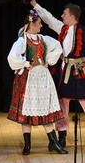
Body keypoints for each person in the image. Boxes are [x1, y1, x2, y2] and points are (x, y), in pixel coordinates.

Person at [31, 0, 85, 148]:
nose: (62, 16)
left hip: (79, 71)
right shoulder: (62, 28)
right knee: (62, 103)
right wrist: (35, 4)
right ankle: (62, 136)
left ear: (72, 16)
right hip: (63, 70)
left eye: (64, 14)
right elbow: (48, 18)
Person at [7, 10, 68, 155]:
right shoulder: (22, 40)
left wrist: (49, 60)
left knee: (46, 109)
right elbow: (12, 57)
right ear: (32, 24)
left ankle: (53, 143)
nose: (41, 26)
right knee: (27, 111)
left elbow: (58, 47)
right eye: (39, 23)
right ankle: (28, 145)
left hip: (42, 77)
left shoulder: (42, 38)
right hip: (28, 79)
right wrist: (25, 63)